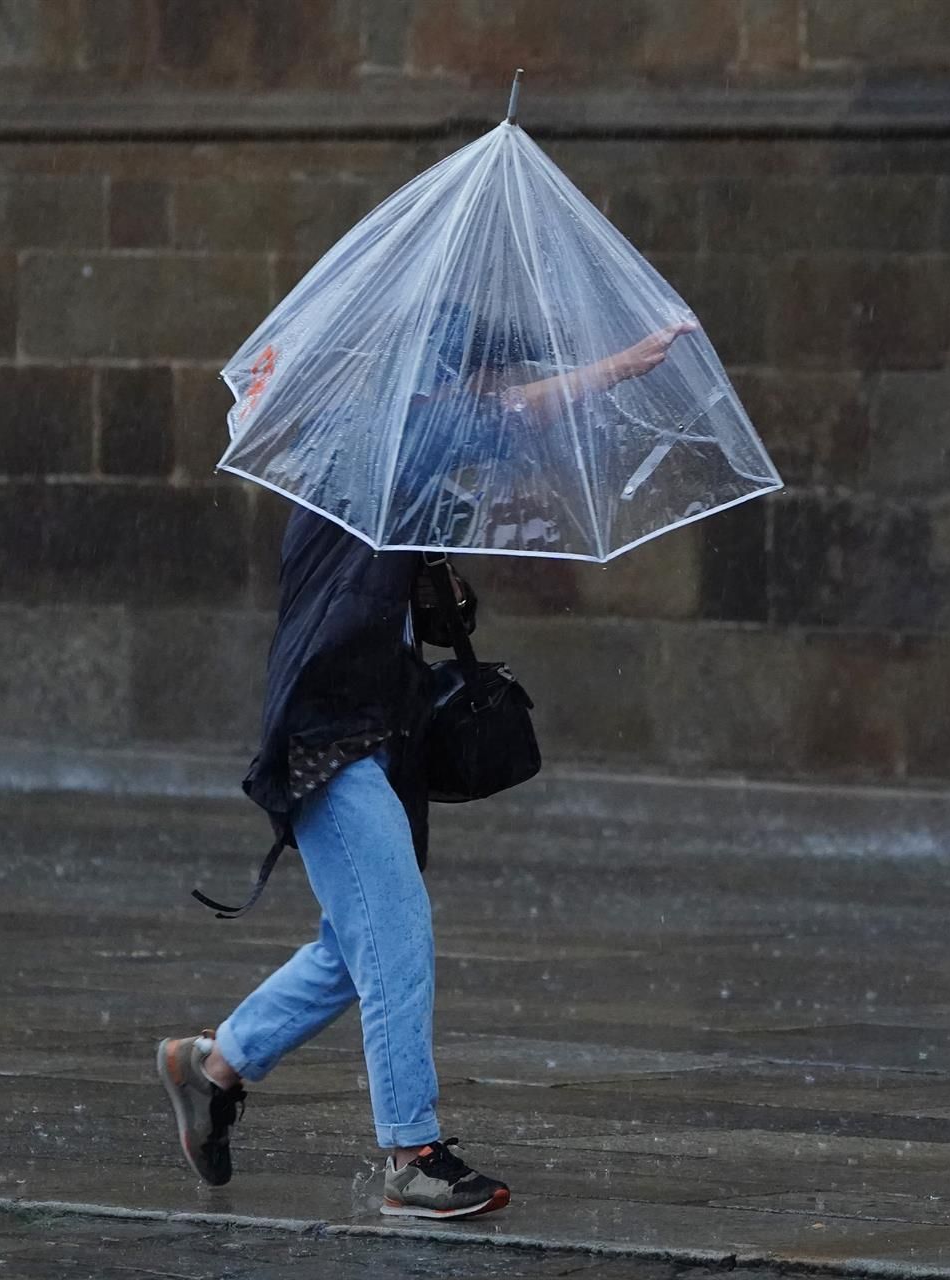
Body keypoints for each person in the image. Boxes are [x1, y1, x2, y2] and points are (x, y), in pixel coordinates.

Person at [156, 312, 697, 1219]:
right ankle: (412, 1154)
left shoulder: (391, 470)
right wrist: (620, 366)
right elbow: (510, 420)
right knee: (396, 927)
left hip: (372, 734)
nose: (488, 393)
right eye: (482, 376)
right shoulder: (387, 431)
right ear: (447, 376)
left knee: (354, 940)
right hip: (328, 737)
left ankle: (211, 1069)